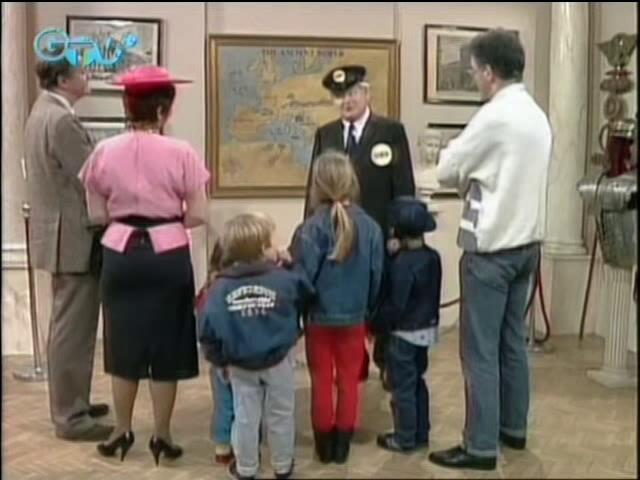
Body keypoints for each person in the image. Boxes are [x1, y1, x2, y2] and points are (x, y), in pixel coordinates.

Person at [428, 29, 552, 470]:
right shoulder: (536, 114)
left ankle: (480, 446)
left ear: (488, 71)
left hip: (492, 249)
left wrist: (462, 168)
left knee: (479, 349)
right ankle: (512, 429)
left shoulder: (494, 116)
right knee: (511, 342)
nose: (473, 77)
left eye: (474, 70)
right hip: (527, 246)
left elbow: (447, 169)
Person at [79, 65, 210, 464]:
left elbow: (96, 214)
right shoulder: (182, 152)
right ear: (163, 110)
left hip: (120, 253)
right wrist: (167, 220)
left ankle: (121, 431)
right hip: (167, 253)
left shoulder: (103, 152)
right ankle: (162, 436)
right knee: (167, 345)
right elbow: (199, 213)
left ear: (127, 106)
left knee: (123, 343)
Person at [304, 64, 416, 388]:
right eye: (339, 96)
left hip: (379, 239)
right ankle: (355, 366)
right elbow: (314, 190)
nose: (346, 101)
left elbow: (403, 188)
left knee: (383, 306)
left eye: (352, 93)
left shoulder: (390, 132)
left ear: (366, 93)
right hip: (335, 242)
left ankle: (386, 364)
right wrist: (308, 233)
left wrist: (402, 236)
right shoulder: (326, 134)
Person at [24, 58, 112, 441]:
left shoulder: (43, 111)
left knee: (70, 325)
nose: (88, 76)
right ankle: (71, 415)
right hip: (73, 235)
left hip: (62, 232)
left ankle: (75, 402)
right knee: (72, 328)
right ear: (63, 79)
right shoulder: (60, 120)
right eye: (82, 72)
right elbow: (92, 174)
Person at [199, 213, 313, 480]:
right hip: (279, 359)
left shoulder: (219, 288)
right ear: (263, 248)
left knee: (245, 416)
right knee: (281, 414)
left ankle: (246, 468)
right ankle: (282, 466)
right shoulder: (284, 278)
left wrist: (220, 360)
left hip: (240, 364)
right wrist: (290, 265)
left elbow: (206, 329)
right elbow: (307, 292)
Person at [292, 151, 384, 464]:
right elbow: (376, 276)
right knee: (349, 381)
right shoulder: (370, 227)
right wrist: (369, 311)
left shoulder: (309, 229)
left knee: (320, 381)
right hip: (355, 317)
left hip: (319, 319)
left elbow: (302, 279)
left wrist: (300, 314)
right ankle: (342, 446)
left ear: (316, 186)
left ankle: (323, 447)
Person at [369, 196, 442, 454]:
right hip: (426, 329)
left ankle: (405, 437)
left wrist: (377, 324)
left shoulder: (402, 264)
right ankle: (421, 432)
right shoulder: (432, 257)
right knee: (418, 381)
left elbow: (396, 304)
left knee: (402, 387)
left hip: (403, 332)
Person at [196, 241, 235, 466]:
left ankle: (222, 447)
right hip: (239, 357)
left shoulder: (207, 291)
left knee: (223, 403)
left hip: (217, 358)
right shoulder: (238, 288)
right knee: (242, 404)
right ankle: (240, 443)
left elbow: (203, 329)